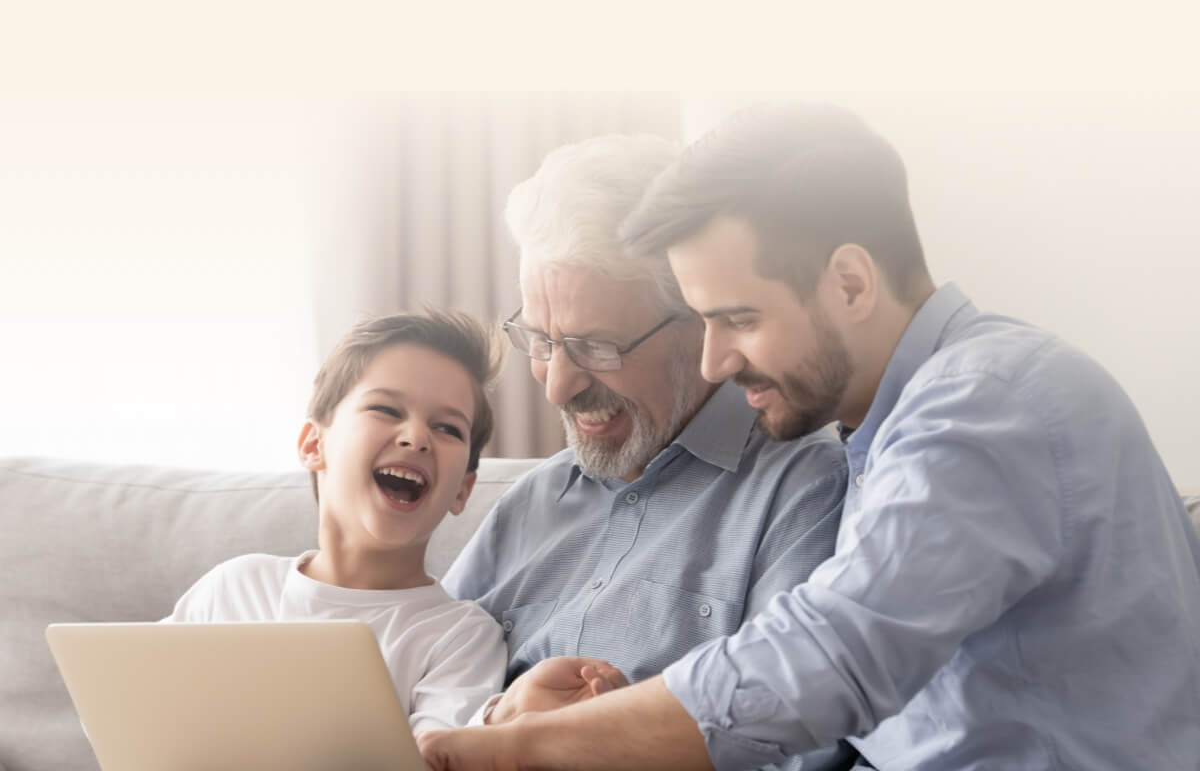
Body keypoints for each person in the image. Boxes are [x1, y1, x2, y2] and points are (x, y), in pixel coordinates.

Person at [421, 104, 1200, 770]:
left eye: (738, 319)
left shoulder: (987, 402)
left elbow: (825, 660)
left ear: (851, 283)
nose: (716, 360)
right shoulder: (902, 423)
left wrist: (526, 747)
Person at [441, 132, 849, 764]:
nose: (557, 386)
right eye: (541, 341)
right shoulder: (534, 502)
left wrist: (597, 743)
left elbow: (802, 751)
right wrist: (497, 715)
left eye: (596, 347)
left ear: (701, 323)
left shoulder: (806, 493)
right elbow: (416, 681)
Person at [165, 310, 507, 735]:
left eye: (447, 428)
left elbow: (441, 755)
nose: (416, 437)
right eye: (386, 408)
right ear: (313, 445)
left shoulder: (460, 637)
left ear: (463, 490)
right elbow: (128, 712)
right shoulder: (234, 588)